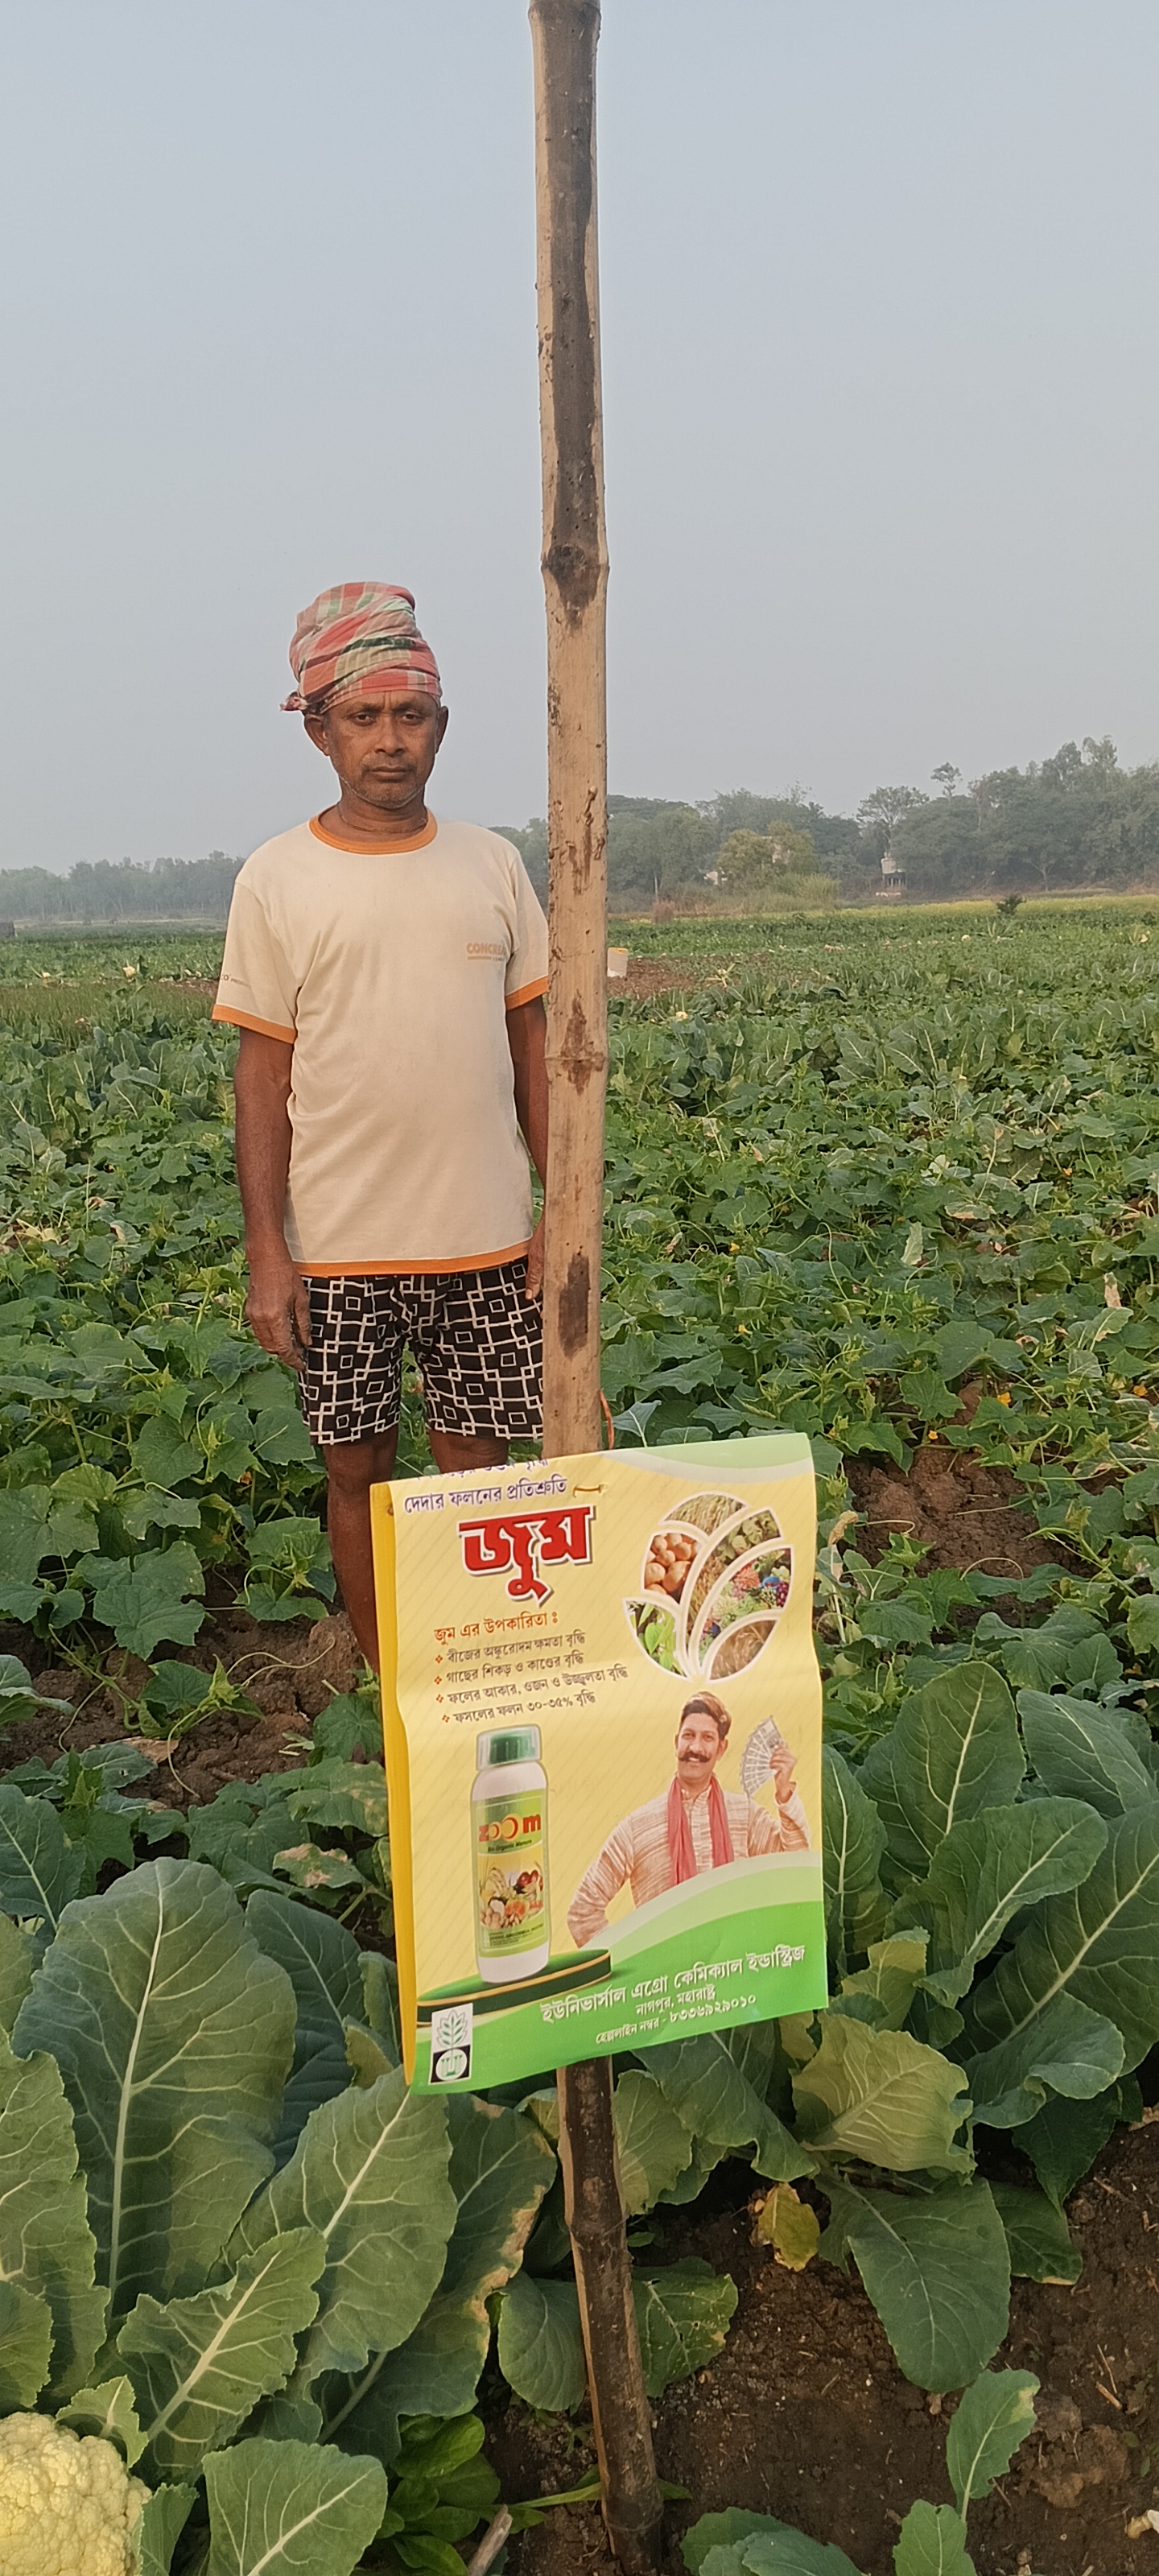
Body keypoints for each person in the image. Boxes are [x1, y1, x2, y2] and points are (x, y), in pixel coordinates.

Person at [212, 582, 548, 1669]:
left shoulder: (492, 864)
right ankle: (387, 1670)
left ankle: (481, 1668)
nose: (390, 741)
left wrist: (559, 1211)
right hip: (340, 1246)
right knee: (354, 1468)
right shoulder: (278, 878)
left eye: (412, 716)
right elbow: (262, 1077)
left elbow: (534, 1049)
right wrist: (270, 1252)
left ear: (441, 727)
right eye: (364, 717)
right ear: (320, 731)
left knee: (477, 1469)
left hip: (485, 1238)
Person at [566, 1690, 809, 1947]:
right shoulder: (638, 1827)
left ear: (721, 1749)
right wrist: (628, 1963)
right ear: (676, 1742)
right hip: (667, 1970)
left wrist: (784, 1790)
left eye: (707, 1738)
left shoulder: (744, 1814)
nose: (695, 1748)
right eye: (689, 1736)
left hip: (736, 1964)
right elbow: (582, 1912)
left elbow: (795, 1871)